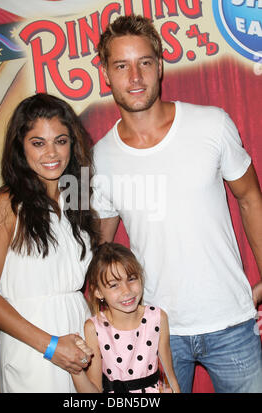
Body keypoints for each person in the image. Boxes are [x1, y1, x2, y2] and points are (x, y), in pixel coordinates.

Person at [92, 14, 262, 393]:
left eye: (145, 63)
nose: (135, 77)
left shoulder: (212, 125)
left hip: (231, 321)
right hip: (151, 330)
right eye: (122, 65)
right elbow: (101, 249)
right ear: (106, 72)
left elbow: (250, 197)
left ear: (160, 65)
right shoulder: (100, 158)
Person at [0, 93, 99, 393]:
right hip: (33, 348)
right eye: (38, 142)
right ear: (21, 147)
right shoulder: (6, 203)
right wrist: (52, 347)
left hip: (79, 338)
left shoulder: (76, 198)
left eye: (61, 140)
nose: (51, 153)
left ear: (72, 144)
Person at [71, 242, 180, 393]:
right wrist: (75, 365)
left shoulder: (157, 317)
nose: (126, 291)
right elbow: (93, 390)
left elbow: (171, 377)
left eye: (131, 279)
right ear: (98, 292)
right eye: (114, 285)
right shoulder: (94, 327)